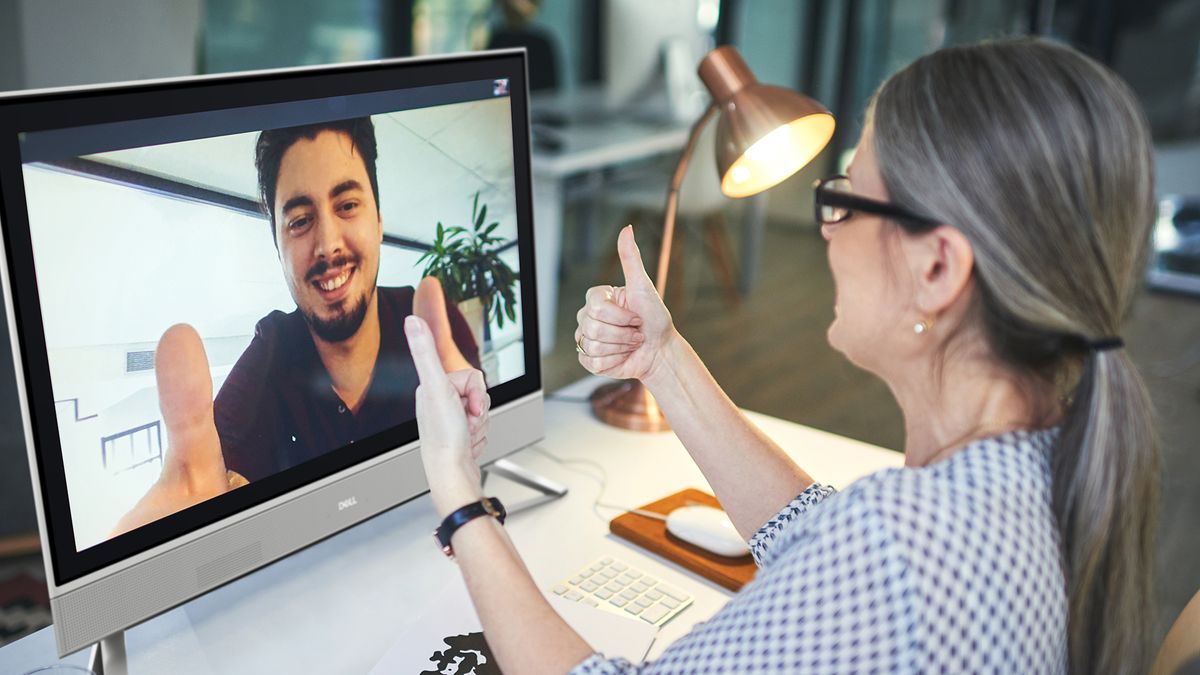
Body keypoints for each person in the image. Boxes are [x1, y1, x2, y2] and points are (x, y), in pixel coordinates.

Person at [406, 38, 1160, 674]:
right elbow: (817, 535)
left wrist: (458, 495)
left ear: (938, 269)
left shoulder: (902, 548)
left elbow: (866, 560)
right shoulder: (1040, 461)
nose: (828, 227)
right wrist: (662, 359)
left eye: (848, 200)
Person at [112, 118, 488, 535]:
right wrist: (190, 543)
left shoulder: (437, 333)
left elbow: (478, 468)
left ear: (379, 221)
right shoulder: (265, 364)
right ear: (278, 247)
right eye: (300, 220)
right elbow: (208, 477)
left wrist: (471, 444)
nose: (327, 245)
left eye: (346, 206)